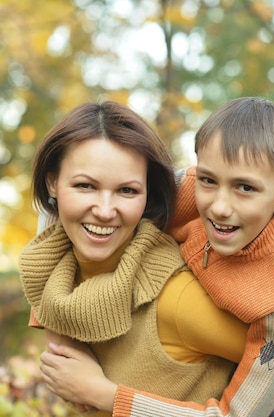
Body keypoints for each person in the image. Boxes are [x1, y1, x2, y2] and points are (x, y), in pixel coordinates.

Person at [36, 97, 274, 417]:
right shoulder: (188, 190)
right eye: (209, 180)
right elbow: (64, 205)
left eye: (245, 188)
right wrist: (66, 345)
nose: (219, 206)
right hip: (219, 356)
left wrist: (109, 397)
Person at [19, 101, 235, 417]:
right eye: (85, 185)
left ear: (149, 193)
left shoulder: (176, 297)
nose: (105, 211)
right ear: (53, 181)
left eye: (127, 191)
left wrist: (109, 396)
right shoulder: (53, 275)